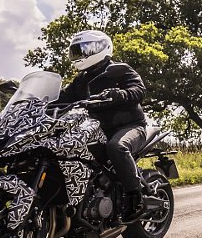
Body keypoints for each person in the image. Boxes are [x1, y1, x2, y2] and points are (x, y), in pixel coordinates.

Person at [56, 29, 148, 221]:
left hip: (130, 127)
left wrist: (120, 94)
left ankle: (135, 197)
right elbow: (62, 99)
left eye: (85, 50)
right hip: (96, 130)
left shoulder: (121, 70)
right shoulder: (81, 80)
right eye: (77, 51)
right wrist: (36, 101)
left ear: (101, 48)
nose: (81, 55)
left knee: (117, 146)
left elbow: (138, 90)